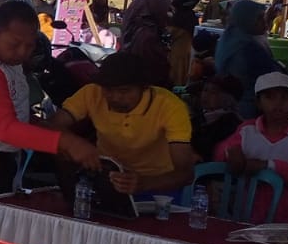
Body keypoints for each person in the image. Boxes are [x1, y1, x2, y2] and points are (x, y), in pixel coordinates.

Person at [0, 0, 100, 217]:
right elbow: (6, 129)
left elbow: (18, 113)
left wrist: (53, 133)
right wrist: (66, 142)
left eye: (29, 45)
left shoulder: (7, 58)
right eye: (15, 44)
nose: (22, 52)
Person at [48, 52, 197, 197]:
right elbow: (52, 126)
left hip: (158, 188)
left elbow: (185, 173)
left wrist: (144, 183)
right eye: (108, 90)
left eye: (124, 91)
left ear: (144, 87)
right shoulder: (92, 93)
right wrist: (73, 145)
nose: (115, 97)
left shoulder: (170, 106)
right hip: (105, 180)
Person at [215, 73, 288, 221]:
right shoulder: (247, 130)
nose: (278, 104)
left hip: (287, 219)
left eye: (284, 98)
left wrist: (268, 165)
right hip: (245, 215)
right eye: (270, 97)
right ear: (258, 103)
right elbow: (223, 151)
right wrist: (231, 153)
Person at [213, 0, 278, 118]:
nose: (264, 22)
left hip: (229, 108)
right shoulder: (249, 48)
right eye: (259, 18)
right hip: (248, 110)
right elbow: (270, 77)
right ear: (247, 20)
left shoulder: (230, 39)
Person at [119, 0, 175, 89]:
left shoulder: (137, 26)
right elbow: (152, 68)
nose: (167, 14)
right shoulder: (147, 34)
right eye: (165, 9)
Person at [191, 74, 245, 164]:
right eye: (205, 90)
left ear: (228, 98)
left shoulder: (231, 123)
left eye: (213, 92)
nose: (206, 95)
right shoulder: (198, 119)